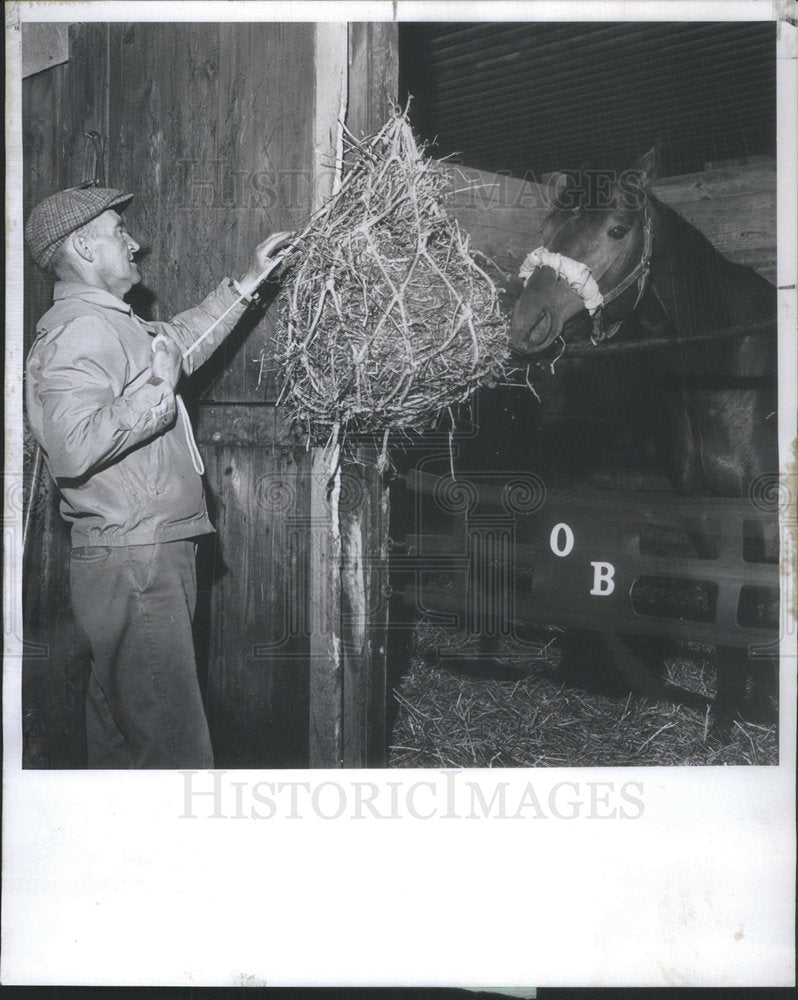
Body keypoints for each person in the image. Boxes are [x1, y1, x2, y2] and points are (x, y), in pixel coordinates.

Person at [24, 185, 291, 769]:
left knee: (124, 743)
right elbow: (71, 446)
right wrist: (158, 387)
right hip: (136, 558)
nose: (135, 242)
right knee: (173, 750)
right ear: (84, 248)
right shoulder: (80, 329)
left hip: (137, 552)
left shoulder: (110, 323)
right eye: (119, 230)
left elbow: (181, 341)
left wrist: (248, 281)